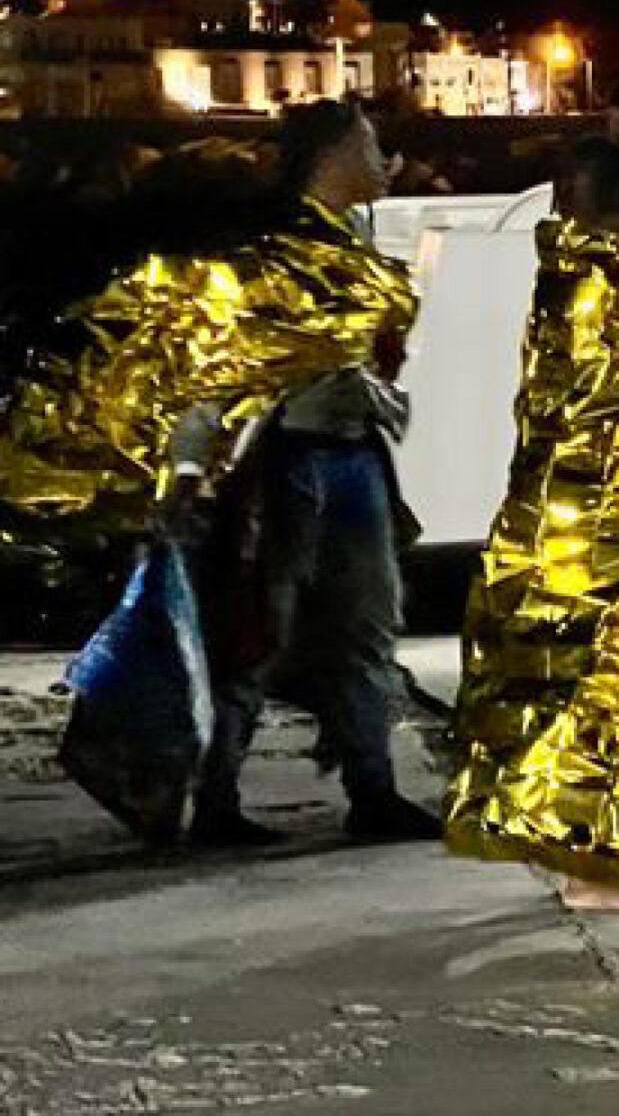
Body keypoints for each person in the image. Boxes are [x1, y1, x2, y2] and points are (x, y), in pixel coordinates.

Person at [443, 138, 619, 912]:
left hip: (561, 519)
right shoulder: (592, 282)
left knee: (571, 685)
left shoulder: (568, 275)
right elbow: (608, 403)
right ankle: (597, 864)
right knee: (606, 681)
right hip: (594, 531)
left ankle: (584, 850)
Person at [188, 101, 439, 847]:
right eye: (369, 143)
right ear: (330, 155)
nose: (384, 158)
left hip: (345, 447)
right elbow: (231, 359)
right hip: (287, 456)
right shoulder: (276, 249)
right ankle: (218, 796)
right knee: (262, 631)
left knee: (364, 626)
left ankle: (370, 788)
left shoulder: (342, 241)